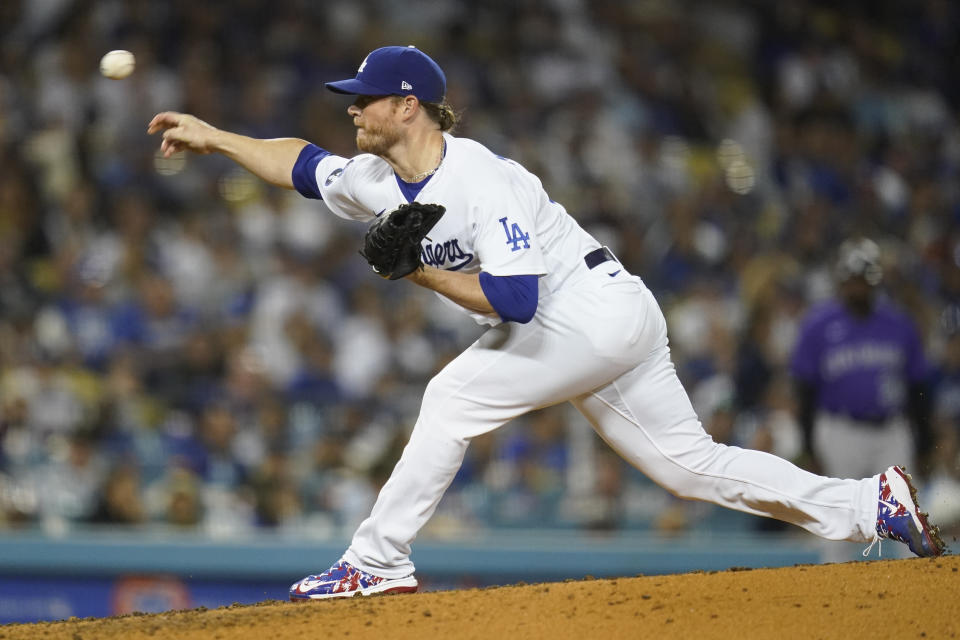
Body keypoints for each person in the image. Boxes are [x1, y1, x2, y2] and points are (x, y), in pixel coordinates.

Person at [147, 46, 946, 601]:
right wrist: (216, 138)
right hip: (604, 320)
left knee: (451, 398)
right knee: (688, 467)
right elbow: (297, 160)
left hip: (587, 311)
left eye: (363, 99)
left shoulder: (479, 176)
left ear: (407, 104)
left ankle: (376, 560)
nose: (351, 110)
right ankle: (871, 502)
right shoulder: (373, 177)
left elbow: (518, 302)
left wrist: (416, 270)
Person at [791, 238, 933, 481]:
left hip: (891, 430)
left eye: (864, 280)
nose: (858, 287)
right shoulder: (818, 324)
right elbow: (805, 390)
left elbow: (917, 386)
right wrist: (808, 443)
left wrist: (924, 438)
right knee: (843, 512)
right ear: (842, 281)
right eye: (852, 279)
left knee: (899, 511)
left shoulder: (898, 323)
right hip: (841, 430)